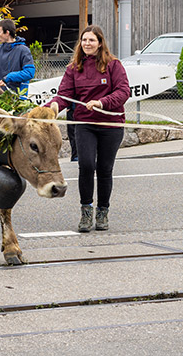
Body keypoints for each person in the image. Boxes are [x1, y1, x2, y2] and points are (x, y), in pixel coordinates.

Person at [46, 25, 130, 233]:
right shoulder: (74, 68)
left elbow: (123, 91)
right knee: (85, 165)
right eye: (84, 40)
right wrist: (50, 109)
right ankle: (86, 211)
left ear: (100, 43)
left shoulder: (113, 65)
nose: (87, 44)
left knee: (104, 168)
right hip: (84, 125)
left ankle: (103, 211)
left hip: (111, 125)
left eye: (91, 40)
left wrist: (102, 102)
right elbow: (63, 95)